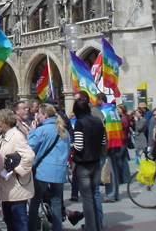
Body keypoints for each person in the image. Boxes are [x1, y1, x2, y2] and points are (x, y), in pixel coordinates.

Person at [27, 103, 71, 231]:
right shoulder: (64, 130)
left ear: (45, 115)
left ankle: (32, 227)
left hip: (43, 170)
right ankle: (57, 228)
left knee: (35, 202)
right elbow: (67, 150)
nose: (37, 116)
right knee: (56, 202)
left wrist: (32, 131)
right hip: (59, 169)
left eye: (39, 114)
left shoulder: (41, 130)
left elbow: (30, 147)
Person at [0, 109, 35, 231]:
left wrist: (17, 169)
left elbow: (29, 156)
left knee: (19, 221)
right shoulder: (3, 136)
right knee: (9, 220)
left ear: (6, 122)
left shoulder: (17, 137)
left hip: (16, 187)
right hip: (7, 187)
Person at [71, 98, 106, 231]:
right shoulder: (97, 121)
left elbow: (79, 146)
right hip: (96, 162)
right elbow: (103, 141)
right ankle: (97, 225)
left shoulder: (80, 123)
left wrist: (72, 145)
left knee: (87, 199)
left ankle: (91, 227)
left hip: (84, 164)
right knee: (94, 195)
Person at [117, 103, 132, 183]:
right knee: (123, 159)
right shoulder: (124, 118)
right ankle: (126, 176)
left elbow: (123, 128)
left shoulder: (124, 118)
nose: (117, 110)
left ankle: (121, 177)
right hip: (124, 139)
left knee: (119, 158)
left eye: (118, 109)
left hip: (123, 139)